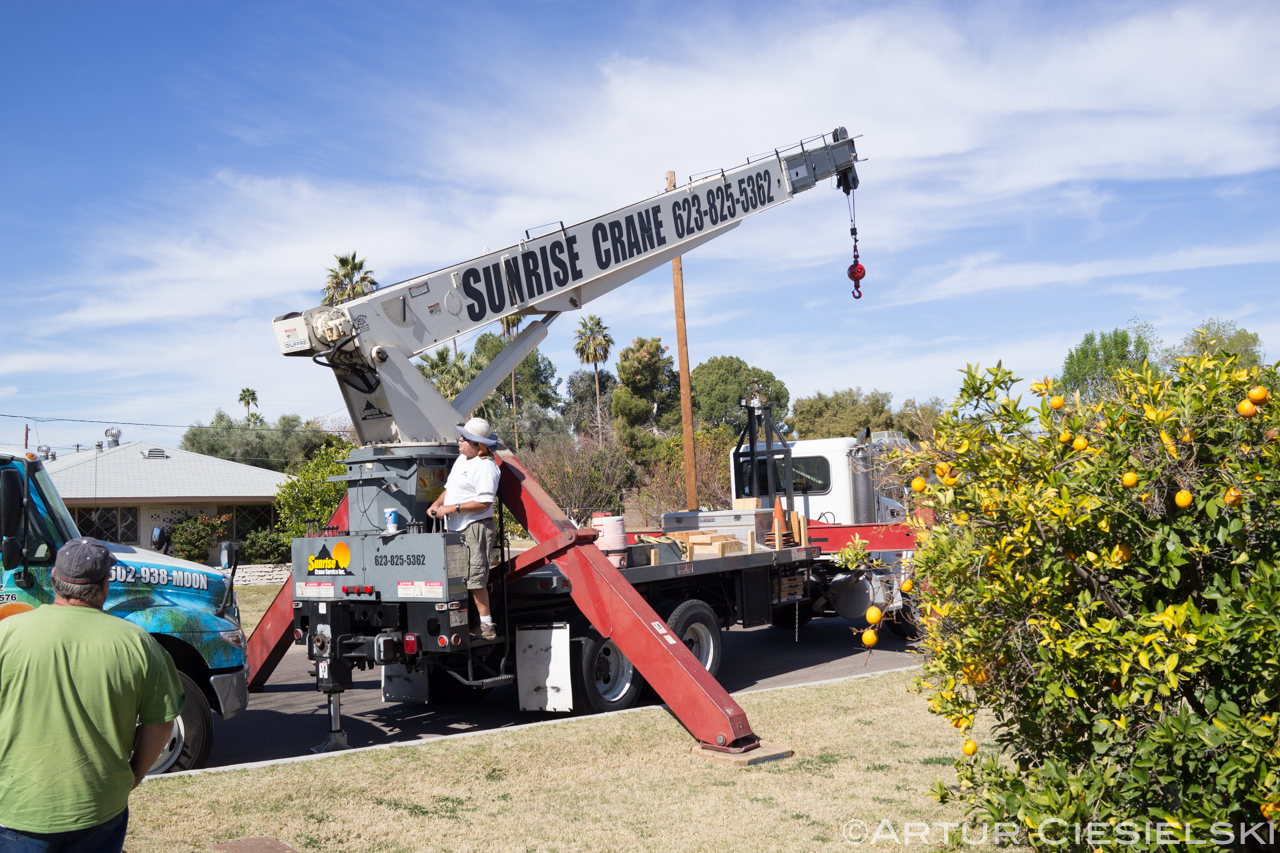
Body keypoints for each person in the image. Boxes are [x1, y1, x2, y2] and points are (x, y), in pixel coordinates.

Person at [0, 537, 185, 852]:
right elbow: (161, 723)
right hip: (100, 806)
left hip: (18, 809)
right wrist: (136, 773)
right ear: (105, 585)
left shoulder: (7, 634)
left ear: (55, 580)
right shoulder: (139, 644)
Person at [429, 417, 502, 640]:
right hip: (455, 528)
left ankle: (487, 627)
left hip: (475, 528)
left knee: (474, 579)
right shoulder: (462, 459)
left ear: (479, 445)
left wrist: (453, 508)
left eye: (465, 438)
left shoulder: (488, 468)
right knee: (457, 578)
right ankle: (461, 624)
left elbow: (485, 503)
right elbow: (449, 489)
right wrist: (437, 504)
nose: (459, 440)